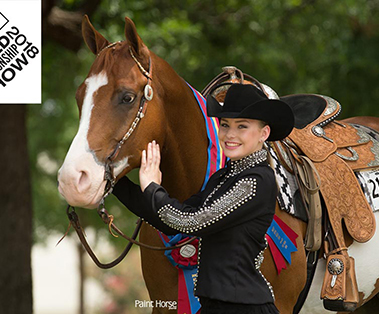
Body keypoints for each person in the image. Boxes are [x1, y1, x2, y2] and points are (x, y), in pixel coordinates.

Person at [112, 84, 294, 314]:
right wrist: (114, 183)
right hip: (213, 306)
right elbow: (173, 219)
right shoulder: (224, 176)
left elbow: (191, 222)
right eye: (225, 125)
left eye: (242, 126)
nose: (230, 135)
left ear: (264, 133)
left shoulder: (257, 180)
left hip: (244, 308)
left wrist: (152, 187)